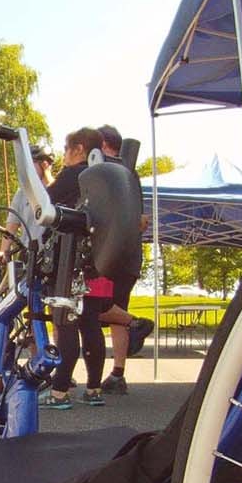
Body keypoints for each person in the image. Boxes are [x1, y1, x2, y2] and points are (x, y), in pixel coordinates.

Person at [41, 127, 109, 409]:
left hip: (66, 259)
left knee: (64, 323)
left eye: (66, 150)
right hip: (94, 261)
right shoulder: (105, 178)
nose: (64, 157)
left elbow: (44, 203)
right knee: (91, 323)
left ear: (79, 149)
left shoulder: (73, 175)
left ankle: (59, 391)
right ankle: (93, 389)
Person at [93, 124, 154, 396]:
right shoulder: (131, 174)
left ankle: (135, 323)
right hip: (129, 257)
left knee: (91, 307)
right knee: (115, 309)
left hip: (107, 256)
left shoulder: (104, 173)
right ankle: (118, 373)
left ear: (104, 144)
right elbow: (139, 219)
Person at [0, 142, 55, 272]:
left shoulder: (56, 191)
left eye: (32, 164)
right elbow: (11, 227)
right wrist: (3, 251)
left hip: (50, 257)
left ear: (45, 164)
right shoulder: (22, 193)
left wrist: (49, 180)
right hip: (27, 255)